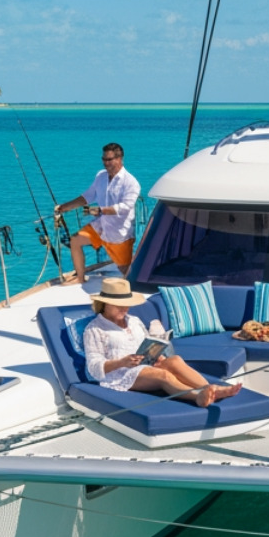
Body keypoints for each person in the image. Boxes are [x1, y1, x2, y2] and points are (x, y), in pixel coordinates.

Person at [82, 277, 241, 406]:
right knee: (163, 374)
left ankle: (211, 389)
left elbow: (145, 343)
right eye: (120, 306)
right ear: (105, 303)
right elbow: (93, 368)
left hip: (145, 365)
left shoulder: (134, 320)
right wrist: (122, 362)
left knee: (175, 360)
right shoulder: (95, 329)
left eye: (127, 305)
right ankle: (197, 396)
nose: (125, 310)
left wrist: (156, 355)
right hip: (120, 374)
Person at [57, 142, 140, 284]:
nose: (105, 163)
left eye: (109, 160)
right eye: (104, 159)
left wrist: (101, 210)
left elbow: (126, 207)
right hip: (101, 227)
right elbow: (88, 196)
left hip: (119, 235)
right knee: (75, 241)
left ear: (120, 159)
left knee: (126, 273)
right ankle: (80, 278)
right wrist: (65, 207)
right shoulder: (101, 176)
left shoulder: (131, 183)